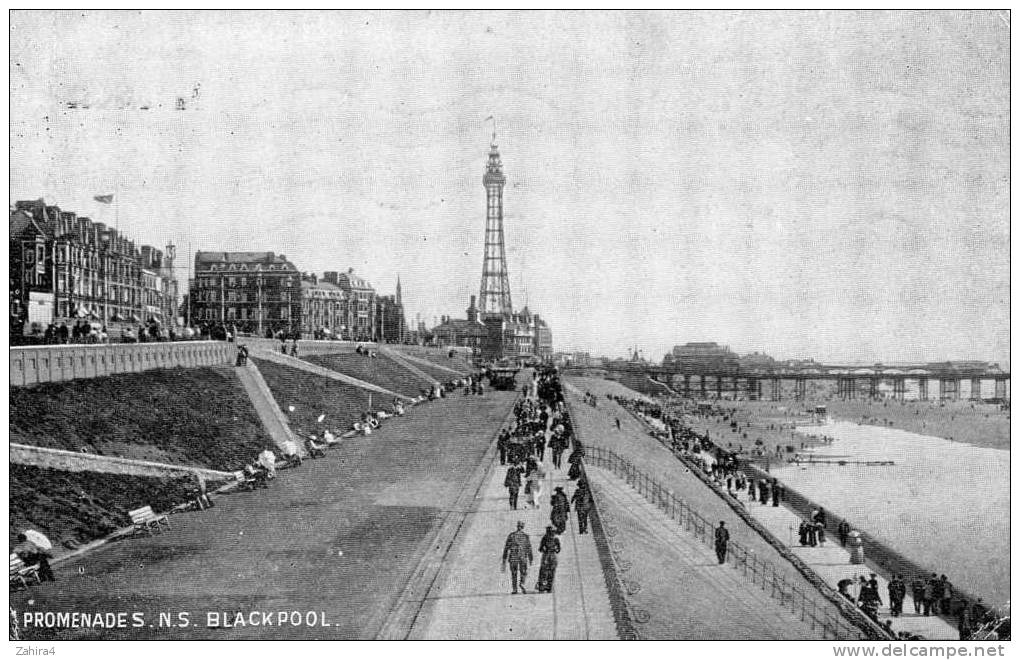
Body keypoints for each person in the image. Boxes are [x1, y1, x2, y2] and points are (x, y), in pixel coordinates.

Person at [501, 521, 533, 595]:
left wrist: (504, 559)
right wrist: (531, 558)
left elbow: (506, 548)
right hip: (522, 557)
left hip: (513, 557)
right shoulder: (525, 536)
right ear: (523, 527)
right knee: (523, 572)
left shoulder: (511, 535)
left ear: (517, 526)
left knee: (514, 573)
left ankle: (515, 589)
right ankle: (522, 583)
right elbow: (529, 548)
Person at [535, 526, 561, 593]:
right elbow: (558, 550)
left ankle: (542, 587)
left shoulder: (544, 538)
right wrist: (555, 550)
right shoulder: (556, 539)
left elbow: (540, 548)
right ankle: (549, 587)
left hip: (546, 556)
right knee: (552, 572)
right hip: (553, 556)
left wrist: (544, 549)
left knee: (543, 572)